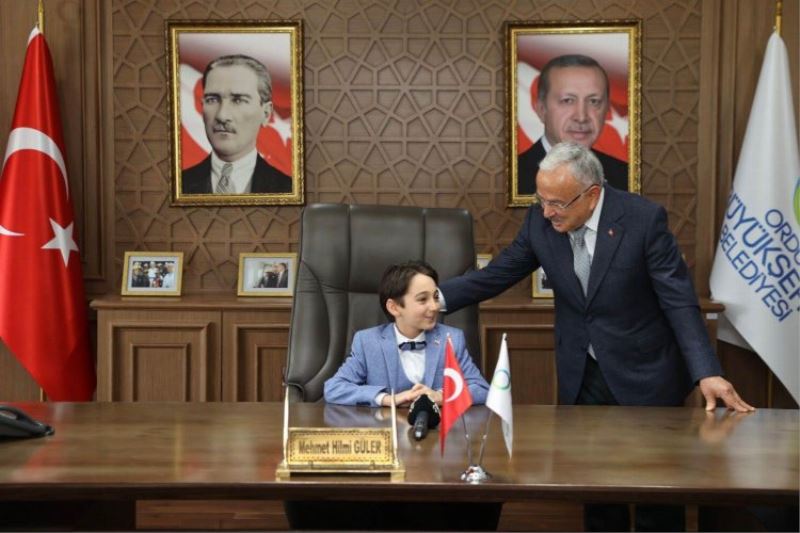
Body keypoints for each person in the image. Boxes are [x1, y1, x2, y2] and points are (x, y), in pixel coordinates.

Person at [440, 142, 754, 532]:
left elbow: (678, 301)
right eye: (541, 200)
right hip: (583, 373)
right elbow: (496, 275)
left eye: (557, 203)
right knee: (598, 491)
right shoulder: (541, 222)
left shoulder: (642, 220)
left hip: (646, 373)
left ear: (592, 195)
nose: (547, 212)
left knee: (657, 492)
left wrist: (706, 371)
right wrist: (434, 299)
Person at [324, 260, 488, 407]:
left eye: (436, 297)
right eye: (422, 299)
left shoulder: (451, 339)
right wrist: (388, 399)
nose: (434, 306)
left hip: (439, 429)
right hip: (387, 427)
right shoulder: (367, 342)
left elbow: (481, 389)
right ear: (394, 307)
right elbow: (334, 388)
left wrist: (440, 396)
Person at [518, 54, 628, 195]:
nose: (581, 117)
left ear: (606, 109)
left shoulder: (625, 177)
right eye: (567, 101)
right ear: (541, 109)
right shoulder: (512, 178)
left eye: (593, 101)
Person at [181, 54, 292, 195]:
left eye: (239, 101)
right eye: (212, 100)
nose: (222, 115)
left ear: (265, 114)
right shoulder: (180, 183)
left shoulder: (287, 188)